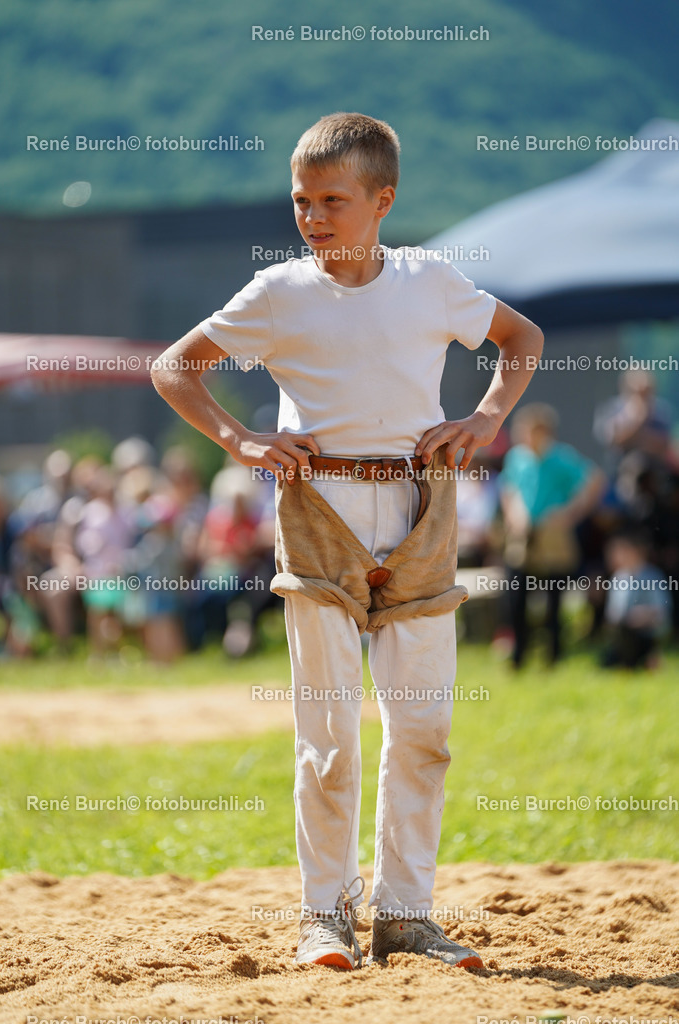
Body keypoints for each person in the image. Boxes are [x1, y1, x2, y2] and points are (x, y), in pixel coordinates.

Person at [151, 112, 544, 971]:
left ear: (382, 200)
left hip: (419, 512)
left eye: (333, 199)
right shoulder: (277, 294)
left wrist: (483, 416)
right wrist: (241, 442)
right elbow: (174, 367)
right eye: (301, 200)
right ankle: (323, 916)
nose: (312, 216)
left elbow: (522, 340)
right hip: (318, 515)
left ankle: (405, 917)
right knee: (326, 735)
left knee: (423, 730)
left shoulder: (431, 282)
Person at [500, 403, 604, 668]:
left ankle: (553, 656)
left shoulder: (561, 457)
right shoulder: (517, 457)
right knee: (516, 594)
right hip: (524, 536)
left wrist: (569, 514)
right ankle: (519, 655)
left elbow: (594, 480)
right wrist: (514, 513)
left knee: (554, 598)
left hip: (553, 537)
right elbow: (508, 488)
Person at [600, 529, 670, 669]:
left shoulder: (652, 576)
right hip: (624, 634)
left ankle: (650, 656)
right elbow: (613, 614)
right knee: (608, 661)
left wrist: (643, 615)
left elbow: (663, 612)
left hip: (646, 633)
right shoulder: (618, 577)